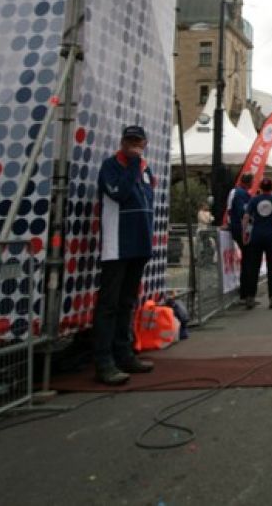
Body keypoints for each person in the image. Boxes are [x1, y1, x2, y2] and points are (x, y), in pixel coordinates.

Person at [92, 124, 158, 386]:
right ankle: (104, 361)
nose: (133, 145)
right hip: (116, 245)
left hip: (139, 244)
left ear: (144, 144)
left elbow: (148, 201)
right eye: (129, 140)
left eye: (137, 141)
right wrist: (132, 164)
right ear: (122, 142)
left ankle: (124, 353)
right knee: (109, 304)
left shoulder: (144, 169)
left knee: (127, 302)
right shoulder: (111, 166)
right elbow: (119, 193)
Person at [242, 178, 272, 309]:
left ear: (260, 188)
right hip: (270, 236)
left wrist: (244, 234)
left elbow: (246, 217)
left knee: (254, 267)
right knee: (271, 267)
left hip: (256, 236)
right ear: (271, 188)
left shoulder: (254, 200)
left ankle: (250, 297)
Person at [228, 172, 260, 308]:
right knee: (249, 262)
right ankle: (247, 295)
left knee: (247, 260)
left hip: (238, 228)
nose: (253, 184)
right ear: (249, 182)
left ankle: (245, 294)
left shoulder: (236, 192)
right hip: (242, 230)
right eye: (252, 181)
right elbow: (244, 212)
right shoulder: (241, 194)